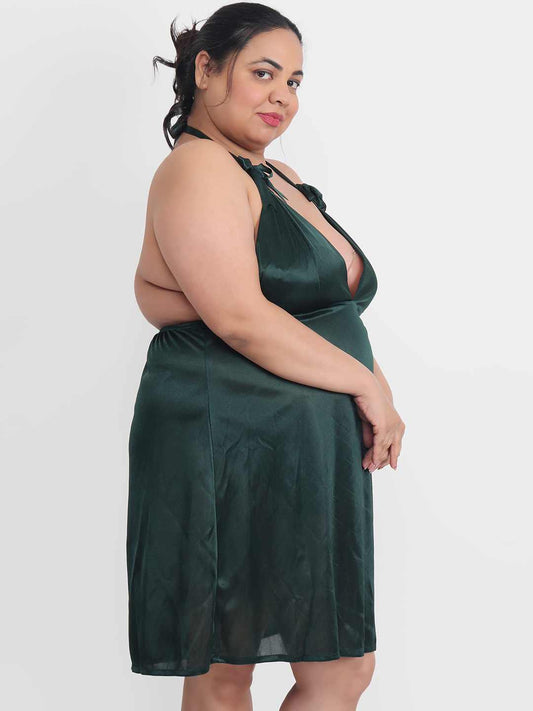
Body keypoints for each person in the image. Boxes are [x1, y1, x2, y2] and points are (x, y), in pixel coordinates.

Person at [127, 3, 406, 709]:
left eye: (295, 80)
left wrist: (374, 384)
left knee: (339, 667)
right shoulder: (198, 168)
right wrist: (366, 387)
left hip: (300, 448)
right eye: (263, 73)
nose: (283, 94)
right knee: (226, 669)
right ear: (205, 69)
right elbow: (240, 318)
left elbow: (319, 307)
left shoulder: (274, 174)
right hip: (230, 440)